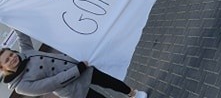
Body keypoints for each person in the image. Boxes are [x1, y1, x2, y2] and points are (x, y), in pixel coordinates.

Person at [0, 30, 147, 98]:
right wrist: (78, 69)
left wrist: (7, 16)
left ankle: (132, 94)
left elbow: (22, 33)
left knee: (111, 82)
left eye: (11, 54)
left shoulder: (26, 52)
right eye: (7, 60)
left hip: (78, 67)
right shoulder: (20, 86)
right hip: (73, 89)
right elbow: (52, 83)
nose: (12, 58)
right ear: (3, 69)